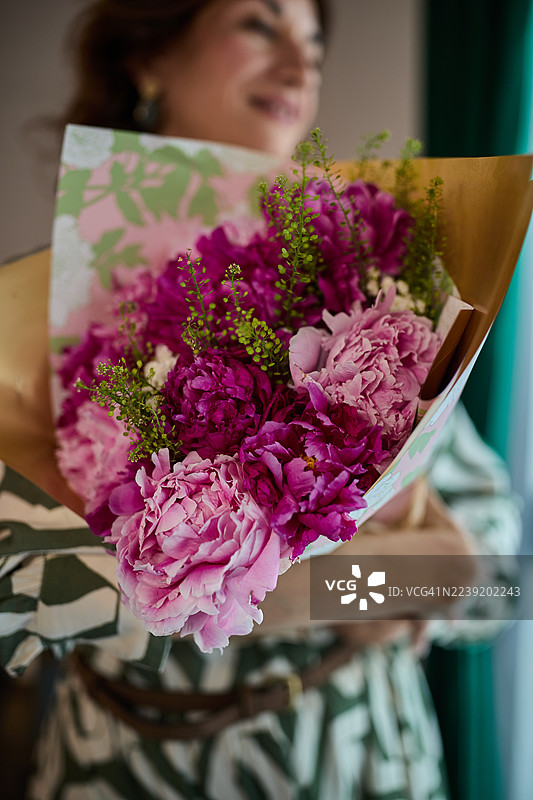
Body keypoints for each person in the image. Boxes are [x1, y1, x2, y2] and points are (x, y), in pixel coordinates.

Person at [0, 1, 521, 798]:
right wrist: (317, 597)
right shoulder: (45, 315)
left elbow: (488, 584)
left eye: (314, 42)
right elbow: (29, 589)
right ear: (149, 55)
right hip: (125, 765)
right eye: (259, 23)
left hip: (350, 764)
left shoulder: (365, 292)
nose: (300, 62)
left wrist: (387, 581)